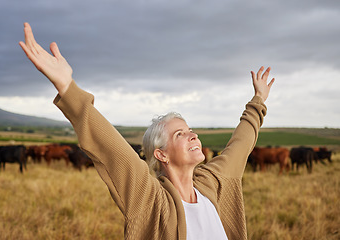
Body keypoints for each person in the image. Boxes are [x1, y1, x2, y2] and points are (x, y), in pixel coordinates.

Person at [19, 22, 274, 240]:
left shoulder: (213, 183)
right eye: (179, 134)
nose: (193, 135)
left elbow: (240, 143)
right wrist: (67, 87)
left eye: (190, 130)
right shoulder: (150, 199)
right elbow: (112, 150)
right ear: (162, 155)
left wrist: (258, 100)